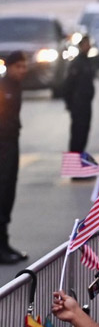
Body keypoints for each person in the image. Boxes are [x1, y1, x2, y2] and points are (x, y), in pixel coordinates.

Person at [0, 51, 27, 264]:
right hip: (2, 146)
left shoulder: (16, 87)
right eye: (17, 67)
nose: (22, 71)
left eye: (23, 66)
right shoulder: (3, 87)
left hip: (11, 144)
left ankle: (5, 243)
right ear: (8, 67)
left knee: (8, 193)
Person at [63, 35, 97, 155]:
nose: (88, 47)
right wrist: (70, 104)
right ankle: (73, 166)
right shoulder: (77, 63)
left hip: (86, 103)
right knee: (77, 135)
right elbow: (68, 85)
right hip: (78, 105)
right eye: (86, 44)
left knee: (84, 133)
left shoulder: (88, 62)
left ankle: (79, 163)